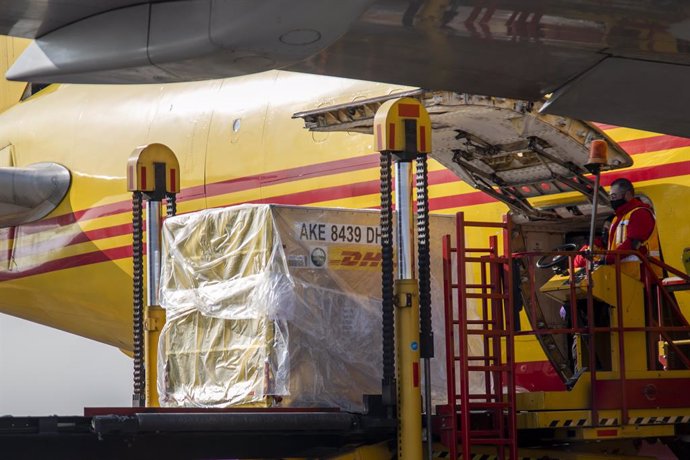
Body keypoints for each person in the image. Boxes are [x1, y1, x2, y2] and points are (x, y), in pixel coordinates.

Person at [606, 178, 662, 278]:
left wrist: (609, 258)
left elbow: (634, 243)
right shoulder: (617, 218)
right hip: (625, 276)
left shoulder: (640, 213)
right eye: (610, 197)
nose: (612, 200)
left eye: (614, 196)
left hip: (643, 275)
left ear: (627, 195)